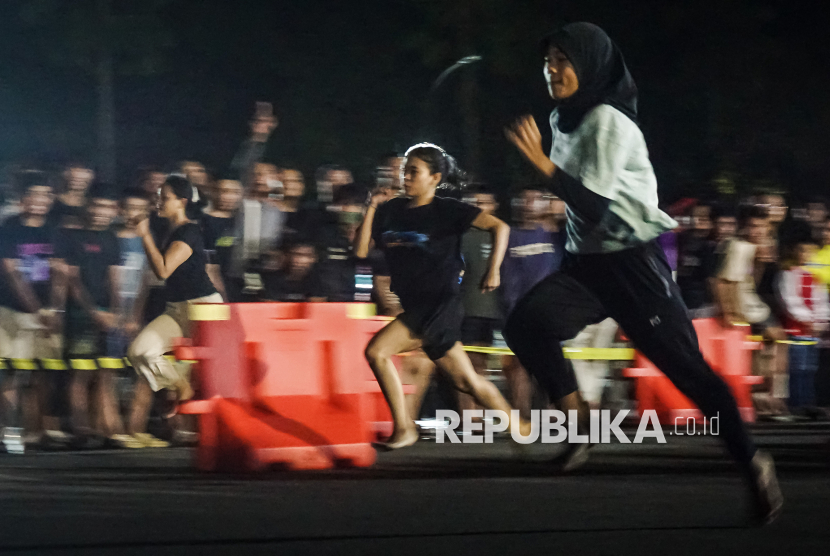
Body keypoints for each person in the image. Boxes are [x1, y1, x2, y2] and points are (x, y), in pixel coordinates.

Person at [503, 22, 781, 523]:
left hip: (633, 264)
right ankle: (580, 425)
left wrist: (543, 169)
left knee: (687, 373)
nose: (552, 69)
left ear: (589, 65)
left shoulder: (609, 120)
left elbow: (596, 205)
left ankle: (753, 462)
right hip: (586, 265)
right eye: (548, 61)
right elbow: (575, 209)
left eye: (563, 60)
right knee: (526, 324)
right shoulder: (561, 118)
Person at [355, 143, 528, 449]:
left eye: (413, 171)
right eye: (403, 171)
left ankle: (405, 428)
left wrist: (494, 270)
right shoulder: (391, 211)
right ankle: (518, 426)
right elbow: (360, 251)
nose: (405, 177)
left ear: (434, 177)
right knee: (467, 381)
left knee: (377, 351)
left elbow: (499, 227)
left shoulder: (447, 210)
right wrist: (371, 206)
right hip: (416, 304)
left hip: (439, 305)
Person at [127, 176, 222, 418]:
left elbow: (163, 270)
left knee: (214, 376)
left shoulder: (189, 231)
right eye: (158, 197)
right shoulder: (167, 229)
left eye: (165, 198)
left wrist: (145, 235)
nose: (159, 202)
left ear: (182, 201)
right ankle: (180, 387)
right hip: (176, 308)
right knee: (139, 352)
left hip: (204, 308)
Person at [0, 171, 66, 453]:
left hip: (46, 311)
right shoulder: (10, 228)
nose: (40, 201)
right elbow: (12, 273)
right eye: (34, 196)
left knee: (44, 374)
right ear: (23, 200)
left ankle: (38, 430)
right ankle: (10, 431)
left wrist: (55, 309)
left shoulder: (53, 228)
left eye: (45, 196)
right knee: (12, 373)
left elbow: (60, 272)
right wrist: (38, 310)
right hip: (12, 311)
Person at [62, 183, 124, 446]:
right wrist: (94, 312)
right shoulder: (74, 238)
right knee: (81, 372)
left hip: (107, 315)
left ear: (113, 211)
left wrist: (116, 312)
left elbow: (114, 278)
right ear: (88, 206)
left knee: (106, 373)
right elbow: (72, 281)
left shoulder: (112, 239)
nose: (101, 212)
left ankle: (107, 429)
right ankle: (81, 429)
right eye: (97, 206)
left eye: (107, 207)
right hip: (80, 314)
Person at [456, 186, 503, 420]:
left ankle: (483, 415)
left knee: (483, 365)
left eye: (485, 202)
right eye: (474, 202)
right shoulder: (459, 233)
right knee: (466, 366)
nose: (479, 207)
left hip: (493, 309)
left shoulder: (498, 233)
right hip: (465, 308)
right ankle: (469, 417)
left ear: (494, 206)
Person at [778, 222, 829, 410]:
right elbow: (789, 300)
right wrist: (807, 319)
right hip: (795, 329)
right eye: (802, 251)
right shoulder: (788, 274)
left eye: (810, 252)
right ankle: (796, 404)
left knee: (810, 368)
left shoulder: (815, 276)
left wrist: (821, 320)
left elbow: (821, 300)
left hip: (813, 331)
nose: (806, 255)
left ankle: (809, 404)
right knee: (797, 368)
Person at [202, 179, 243, 301]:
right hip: (214, 287)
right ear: (214, 193)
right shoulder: (204, 222)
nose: (230, 197)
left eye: (235, 192)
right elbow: (207, 259)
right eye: (225, 191)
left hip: (238, 285)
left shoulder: (243, 221)